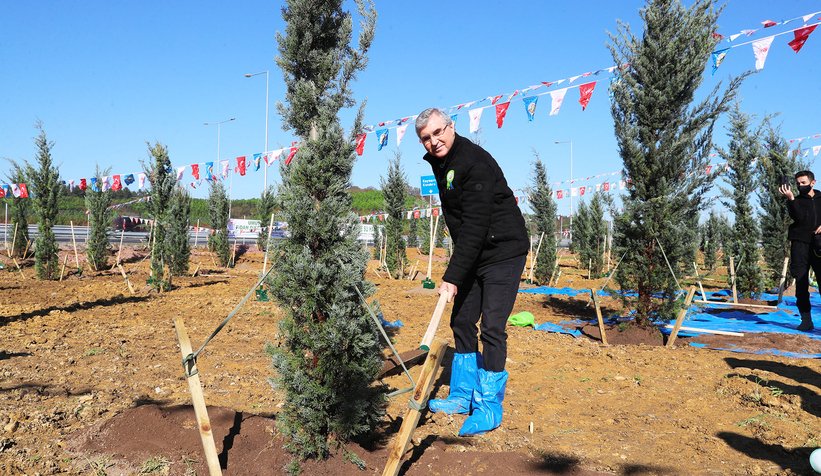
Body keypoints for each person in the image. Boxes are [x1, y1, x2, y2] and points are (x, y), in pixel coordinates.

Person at [415, 108, 529, 436]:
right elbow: (463, 227)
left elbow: (477, 224)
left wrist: (452, 276)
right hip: (475, 250)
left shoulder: (474, 162)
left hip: (503, 252)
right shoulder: (442, 163)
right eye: (427, 138)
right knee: (462, 320)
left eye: (439, 132)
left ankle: (489, 406)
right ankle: (462, 394)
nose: (434, 141)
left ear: (451, 127)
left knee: (492, 326)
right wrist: (460, 270)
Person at [779, 170, 821, 331]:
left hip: (818, 245)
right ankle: (806, 320)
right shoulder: (796, 200)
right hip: (800, 245)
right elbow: (798, 218)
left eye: (803, 183)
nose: (800, 186)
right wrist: (790, 198)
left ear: (812, 182)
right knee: (801, 283)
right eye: (797, 184)